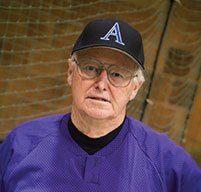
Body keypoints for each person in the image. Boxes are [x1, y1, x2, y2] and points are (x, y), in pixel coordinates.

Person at [0, 18, 200, 192]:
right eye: (90, 68)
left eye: (117, 74)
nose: (102, 84)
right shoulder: (22, 144)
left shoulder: (168, 163)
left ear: (135, 88)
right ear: (70, 72)